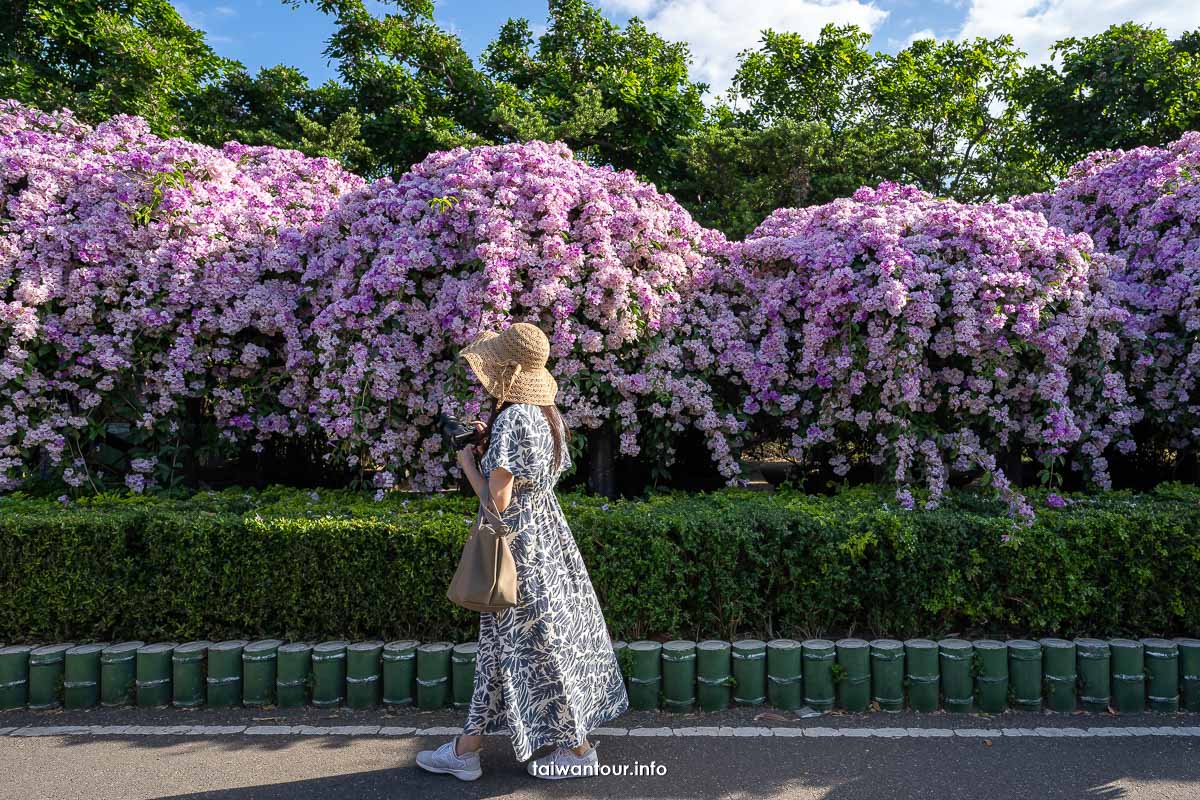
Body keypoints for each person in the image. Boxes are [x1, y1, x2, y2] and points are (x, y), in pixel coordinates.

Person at [415, 322, 629, 781]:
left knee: (538, 644)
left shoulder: (513, 418)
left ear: (506, 372)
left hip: (517, 546)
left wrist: (468, 463)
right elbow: (533, 476)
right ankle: (467, 749)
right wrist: (487, 441)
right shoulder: (546, 414)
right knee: (502, 647)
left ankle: (578, 750)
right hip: (547, 539)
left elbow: (498, 502)